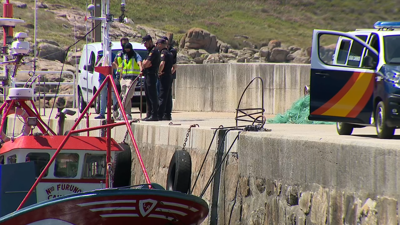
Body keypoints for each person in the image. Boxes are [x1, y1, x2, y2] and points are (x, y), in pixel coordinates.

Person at [115, 43, 143, 120]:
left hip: (132, 78)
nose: (127, 51)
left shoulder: (135, 55)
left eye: (128, 50)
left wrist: (141, 70)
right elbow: (122, 66)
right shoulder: (125, 56)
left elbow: (139, 62)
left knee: (128, 95)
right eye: (126, 50)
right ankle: (128, 114)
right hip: (124, 78)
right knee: (125, 96)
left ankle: (121, 111)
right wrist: (120, 76)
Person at [94, 50, 119, 120]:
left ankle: (115, 113)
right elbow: (96, 65)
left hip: (112, 77)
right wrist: (99, 61)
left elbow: (116, 66)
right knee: (102, 96)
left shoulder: (113, 55)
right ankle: (102, 113)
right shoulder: (100, 54)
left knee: (114, 95)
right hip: (102, 78)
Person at [141, 34, 161, 121]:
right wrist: (144, 64)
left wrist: (144, 64)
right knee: (148, 95)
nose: (145, 45)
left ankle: (154, 115)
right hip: (147, 74)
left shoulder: (154, 50)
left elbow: (146, 63)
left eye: (146, 43)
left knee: (152, 96)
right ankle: (149, 114)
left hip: (152, 75)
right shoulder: (148, 51)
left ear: (150, 41)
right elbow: (144, 63)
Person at [156, 38, 173, 120]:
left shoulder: (163, 53)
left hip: (164, 76)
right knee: (168, 96)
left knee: (162, 96)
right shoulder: (169, 53)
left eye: (157, 44)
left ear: (160, 44)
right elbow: (175, 66)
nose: (157, 46)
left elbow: (162, 63)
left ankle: (160, 115)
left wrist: (159, 72)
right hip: (169, 75)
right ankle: (167, 114)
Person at [162, 36, 177, 120]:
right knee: (164, 95)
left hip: (168, 74)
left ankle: (167, 113)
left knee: (167, 95)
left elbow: (173, 64)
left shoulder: (171, 51)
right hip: (164, 74)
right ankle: (164, 112)